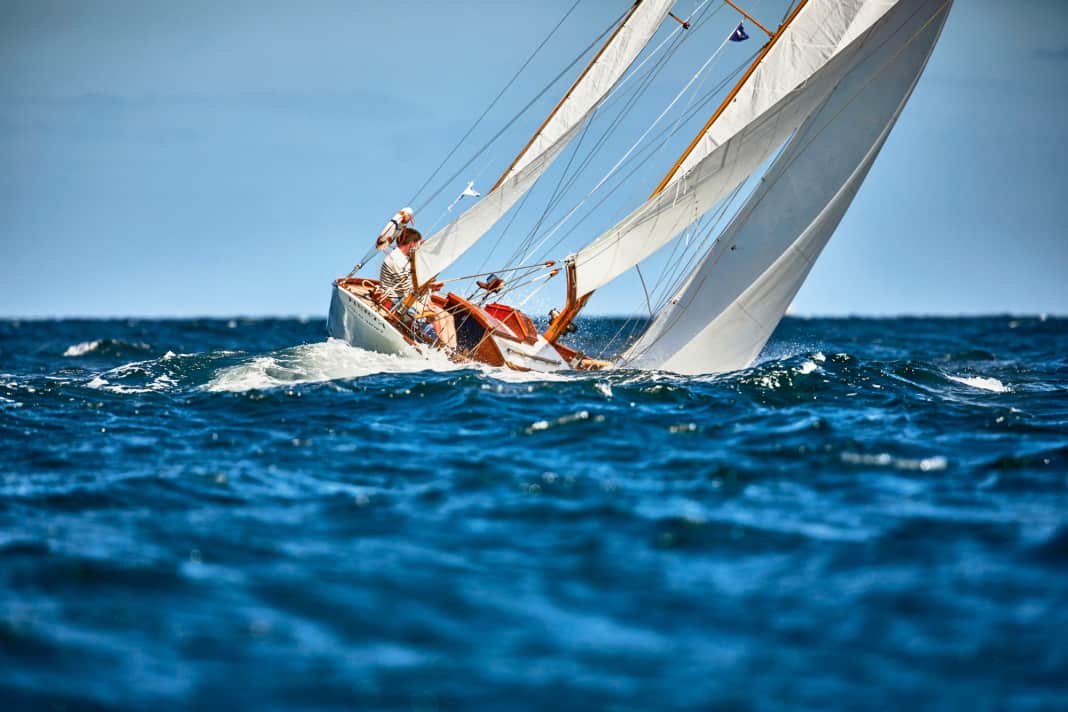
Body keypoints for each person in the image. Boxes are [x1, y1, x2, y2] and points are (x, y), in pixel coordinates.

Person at [379, 227, 457, 351]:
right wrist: (428, 288)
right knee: (436, 316)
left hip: (410, 299)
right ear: (411, 244)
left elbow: (414, 284)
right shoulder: (395, 259)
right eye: (417, 244)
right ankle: (444, 350)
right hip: (397, 301)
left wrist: (429, 290)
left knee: (448, 317)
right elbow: (408, 288)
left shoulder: (406, 259)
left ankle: (452, 349)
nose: (418, 248)